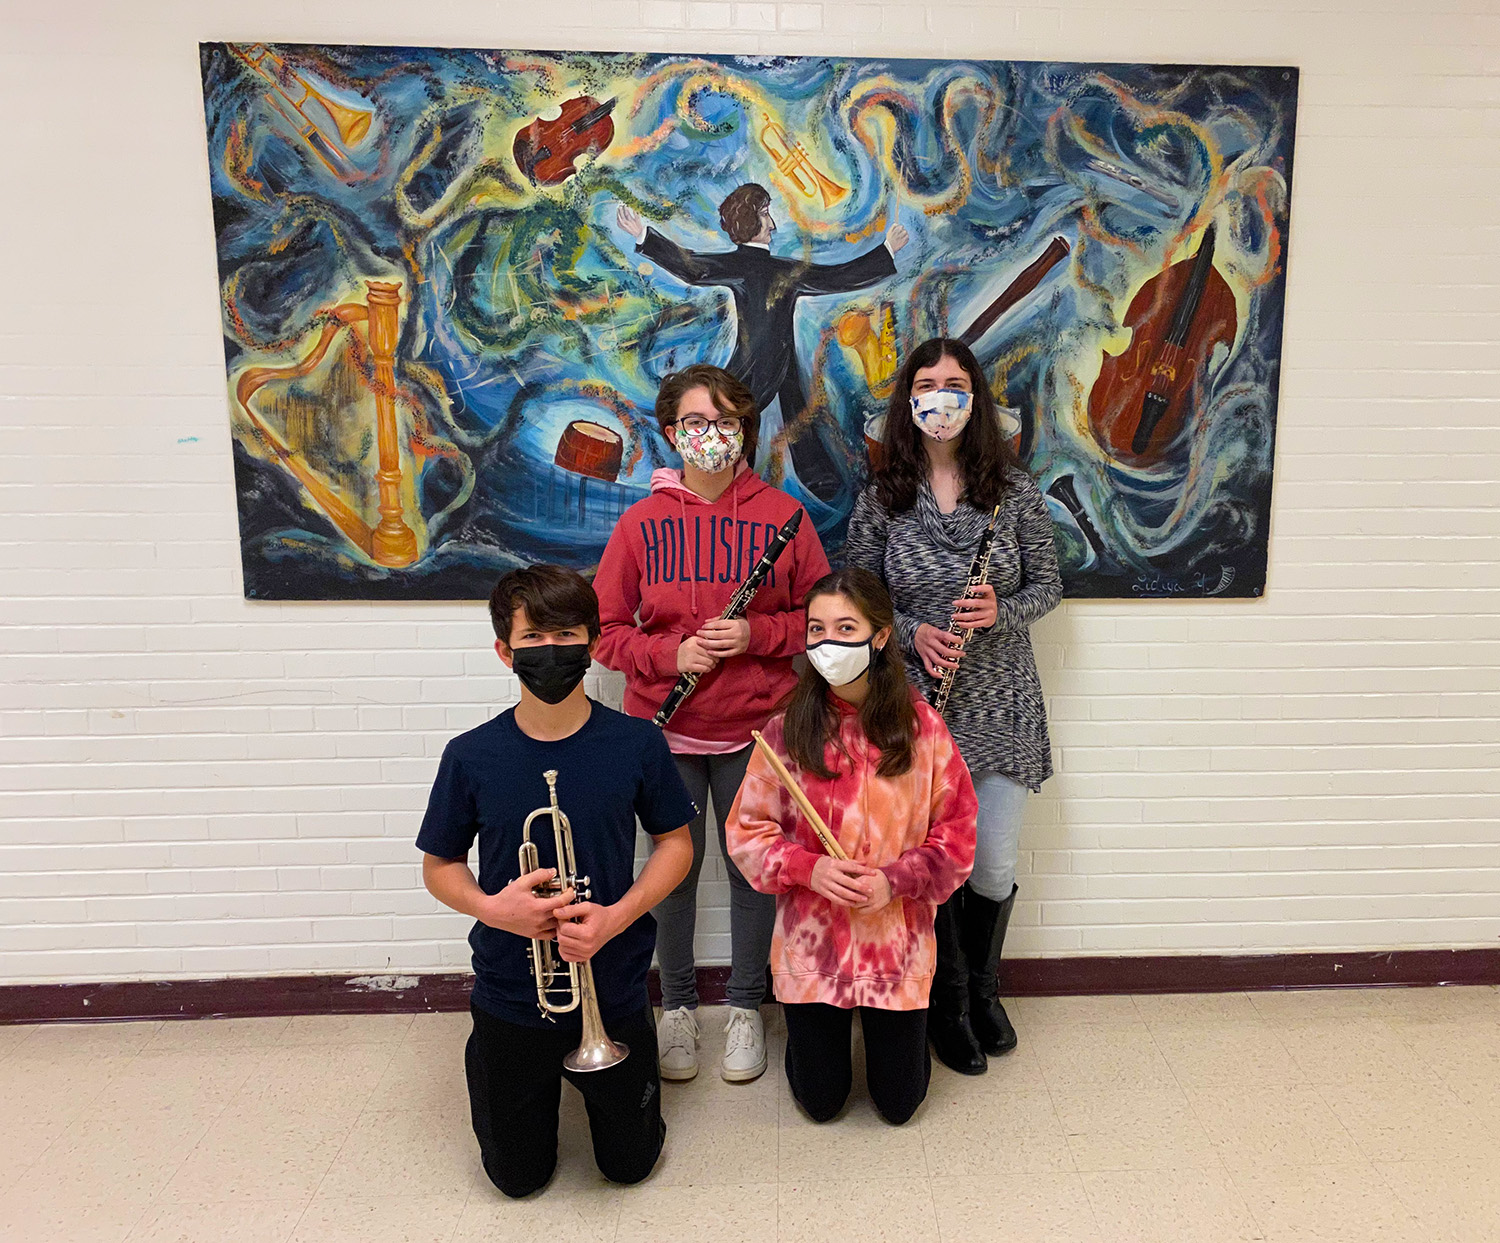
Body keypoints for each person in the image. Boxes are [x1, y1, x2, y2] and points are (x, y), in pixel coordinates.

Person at [417, 565, 696, 1197]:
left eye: (566, 634)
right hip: (511, 992)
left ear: (594, 643)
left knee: (630, 1167)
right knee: (516, 1179)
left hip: (614, 984)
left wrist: (616, 917)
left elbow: (676, 846)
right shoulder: (471, 754)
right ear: (503, 651)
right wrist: (495, 910)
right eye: (533, 638)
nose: (551, 651)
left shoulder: (636, 744)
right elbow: (439, 867)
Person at [594, 364, 831, 1084]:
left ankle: (746, 1007)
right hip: (661, 731)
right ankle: (675, 1010)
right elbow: (605, 633)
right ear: (671, 433)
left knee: (751, 871)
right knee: (673, 872)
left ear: (746, 433)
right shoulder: (640, 523)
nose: (711, 437)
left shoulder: (785, 516)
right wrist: (673, 652)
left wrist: (755, 635)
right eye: (695, 424)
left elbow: (821, 623)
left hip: (757, 727)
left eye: (727, 423)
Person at [845, 336, 1062, 1075]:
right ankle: (946, 1003)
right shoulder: (882, 497)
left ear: (976, 399)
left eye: (957, 383)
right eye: (929, 382)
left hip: (1001, 702)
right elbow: (856, 598)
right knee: (931, 865)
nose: (943, 394)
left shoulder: (1016, 492)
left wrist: (999, 607)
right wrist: (911, 631)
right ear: (910, 399)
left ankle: (982, 990)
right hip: (915, 707)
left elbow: (1049, 588)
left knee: (991, 865)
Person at [725, 568, 976, 1124]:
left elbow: (957, 837)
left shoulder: (923, 728)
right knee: (821, 1104)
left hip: (896, 944)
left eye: (845, 628)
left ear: (880, 636)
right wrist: (807, 869)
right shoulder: (786, 730)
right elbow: (745, 832)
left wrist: (896, 880)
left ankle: (903, 1034)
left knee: (898, 1106)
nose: (828, 643)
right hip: (814, 947)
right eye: (817, 629)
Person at [617, 187, 908, 502]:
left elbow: (834, 276)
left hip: (777, 366)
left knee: (787, 414)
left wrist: (887, 251)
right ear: (748, 219)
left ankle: (817, 479)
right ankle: (791, 482)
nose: (773, 225)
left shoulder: (779, 269)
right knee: (741, 423)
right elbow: (692, 267)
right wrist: (644, 235)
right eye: (765, 214)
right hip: (754, 369)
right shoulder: (770, 269)